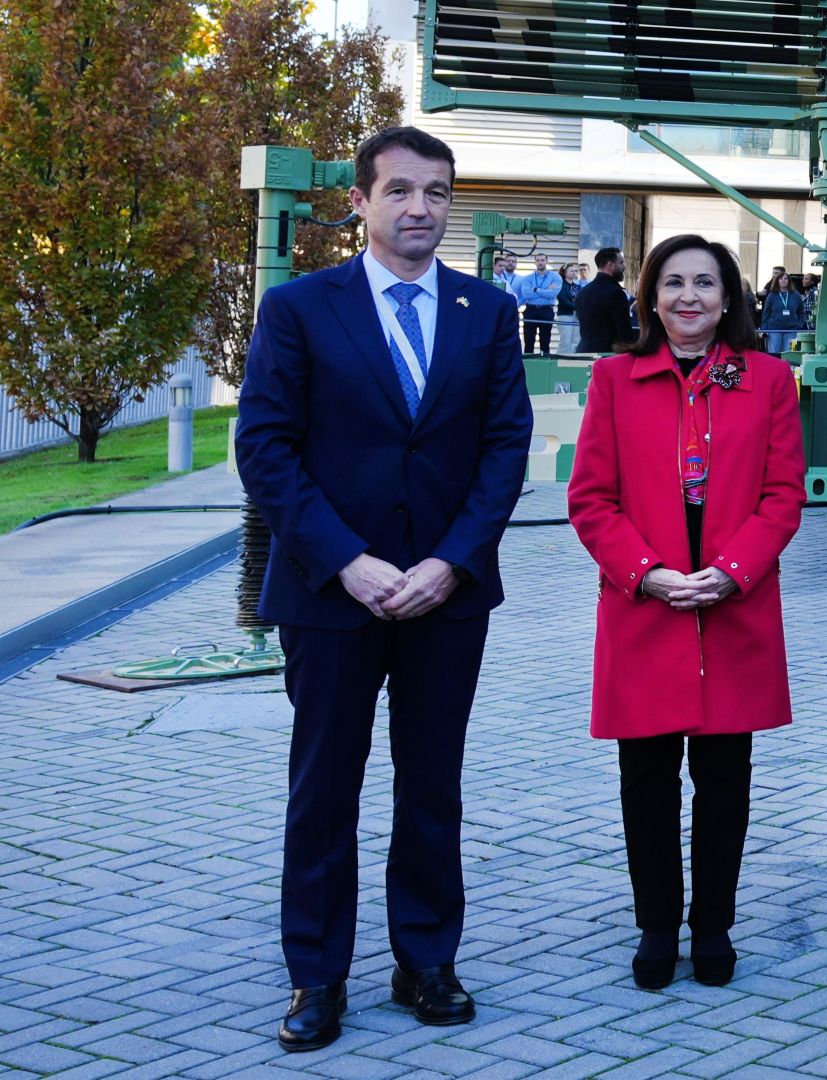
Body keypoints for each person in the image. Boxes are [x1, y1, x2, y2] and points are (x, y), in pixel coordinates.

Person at [235, 126, 533, 1051]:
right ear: (359, 203)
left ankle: (426, 961)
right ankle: (316, 976)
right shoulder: (299, 309)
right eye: (400, 190)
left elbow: (504, 448)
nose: (420, 208)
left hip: (447, 594)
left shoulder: (486, 312)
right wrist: (347, 561)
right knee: (324, 788)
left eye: (437, 192)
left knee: (431, 784)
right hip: (333, 594)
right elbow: (265, 449)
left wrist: (450, 561)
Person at [568, 234, 805, 990]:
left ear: (730, 296)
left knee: (724, 780)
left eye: (706, 282)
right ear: (650, 296)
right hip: (647, 609)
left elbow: (783, 495)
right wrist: (650, 574)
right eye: (673, 283)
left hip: (733, 609)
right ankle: (656, 926)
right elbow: (591, 501)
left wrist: (732, 573)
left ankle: (712, 927)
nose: (690, 297)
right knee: (646, 780)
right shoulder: (614, 379)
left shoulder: (766, 379)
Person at [575, 247, 630, 353]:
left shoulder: (583, 292)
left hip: (584, 352)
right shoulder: (616, 293)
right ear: (610, 265)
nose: (624, 266)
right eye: (621, 263)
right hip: (608, 355)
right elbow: (624, 331)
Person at [515, 252, 562, 356]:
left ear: (547, 261)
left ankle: (545, 363)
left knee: (545, 340)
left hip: (547, 310)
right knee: (528, 340)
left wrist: (536, 289)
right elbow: (526, 294)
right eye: (538, 260)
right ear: (534, 262)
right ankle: (527, 364)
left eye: (542, 260)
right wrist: (545, 290)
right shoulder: (528, 278)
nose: (540, 262)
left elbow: (553, 294)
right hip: (531, 309)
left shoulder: (556, 277)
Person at [759, 271, 806, 355]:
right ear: (777, 281)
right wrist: (764, 329)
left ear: (789, 281)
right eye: (781, 279)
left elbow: (801, 312)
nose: (783, 280)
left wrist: (799, 325)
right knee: (774, 354)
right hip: (774, 330)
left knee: (791, 354)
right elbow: (766, 313)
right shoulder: (772, 295)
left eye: (785, 278)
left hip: (792, 330)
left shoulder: (796, 295)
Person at [554, 261, 581, 354]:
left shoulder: (577, 286)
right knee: (566, 339)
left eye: (575, 271)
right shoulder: (560, 285)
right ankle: (561, 359)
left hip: (577, 315)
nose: (574, 273)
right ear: (564, 272)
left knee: (576, 340)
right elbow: (563, 300)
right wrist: (576, 307)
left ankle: (573, 359)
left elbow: (581, 299)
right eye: (571, 271)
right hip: (565, 314)